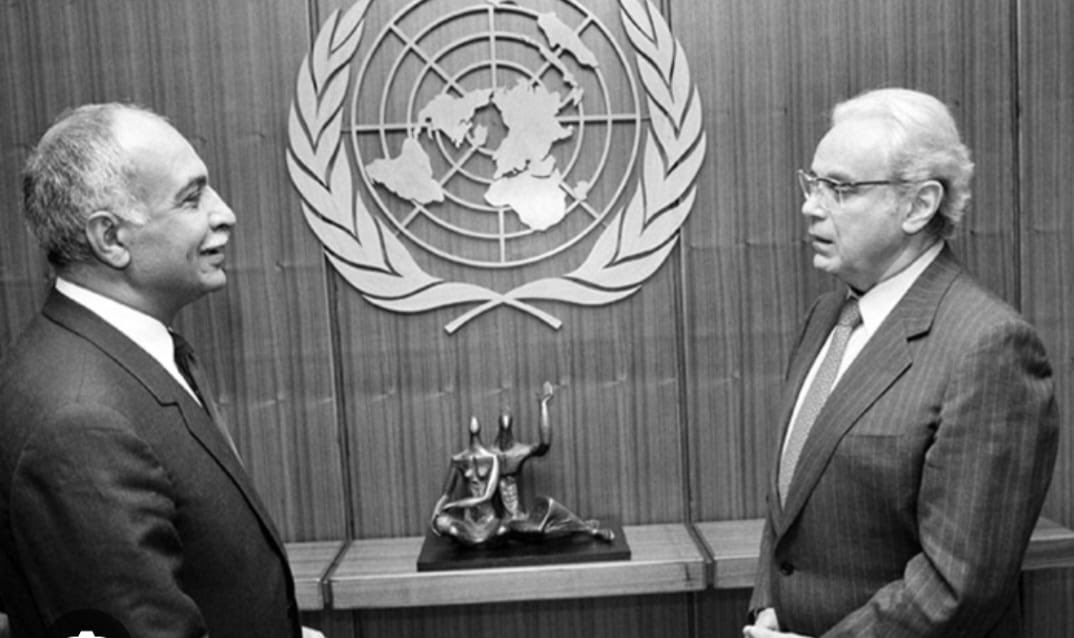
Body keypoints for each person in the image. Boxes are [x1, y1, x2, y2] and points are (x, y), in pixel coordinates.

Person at [744, 88, 1058, 637]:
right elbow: (790, 507)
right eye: (812, 183)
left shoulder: (990, 347)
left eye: (840, 188)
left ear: (919, 205)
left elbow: (958, 585)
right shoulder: (827, 316)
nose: (811, 206)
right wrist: (767, 606)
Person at [0, 104, 322, 638]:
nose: (225, 214)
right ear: (110, 239)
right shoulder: (78, 422)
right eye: (192, 198)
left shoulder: (124, 351)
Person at [492, 383, 613, 542]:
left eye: (507, 429)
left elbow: (544, 444)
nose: (505, 434)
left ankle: (586, 528)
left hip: (519, 517)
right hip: (507, 523)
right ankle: (588, 529)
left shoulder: (518, 452)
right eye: (503, 429)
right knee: (546, 528)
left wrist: (543, 406)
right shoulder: (490, 454)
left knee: (550, 509)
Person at [430, 416, 508, 546]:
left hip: (488, 517)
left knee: (502, 529)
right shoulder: (458, 459)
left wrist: (454, 505)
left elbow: (486, 496)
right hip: (469, 519)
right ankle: (465, 536)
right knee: (442, 522)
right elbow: (446, 494)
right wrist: (436, 512)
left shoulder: (492, 458)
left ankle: (477, 538)